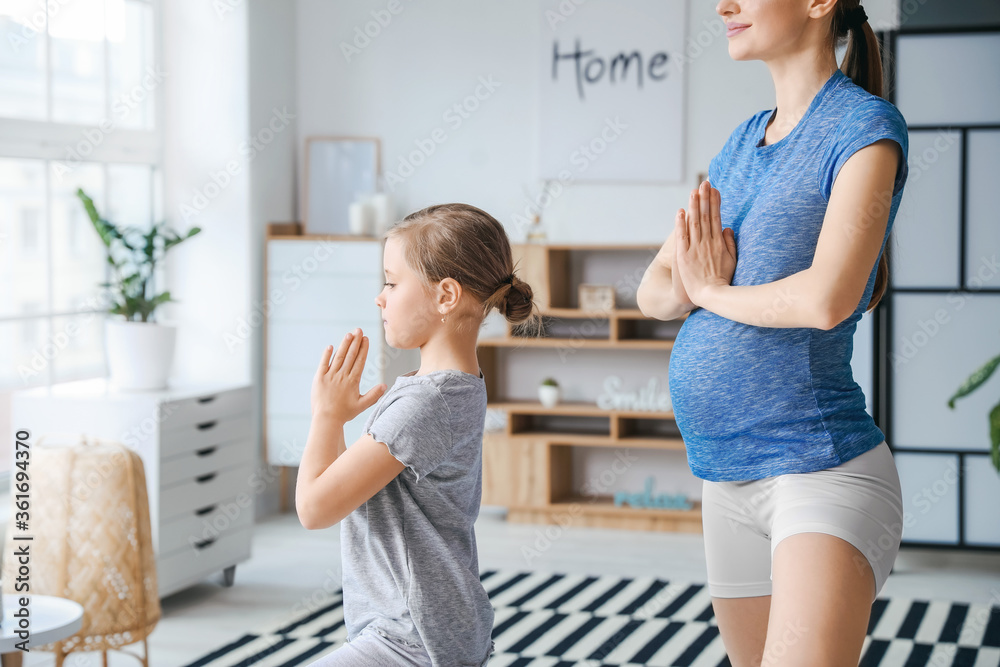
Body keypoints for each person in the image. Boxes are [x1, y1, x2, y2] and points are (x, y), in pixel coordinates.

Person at [636, 1, 908, 665]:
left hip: (819, 470)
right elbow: (655, 291)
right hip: (725, 480)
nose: (724, 5)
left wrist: (710, 291)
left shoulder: (865, 127)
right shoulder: (741, 142)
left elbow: (826, 298)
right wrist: (695, 286)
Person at [295, 203, 540, 666]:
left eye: (391, 281)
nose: (380, 297)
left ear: (446, 295)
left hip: (411, 638)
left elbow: (314, 508)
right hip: (432, 630)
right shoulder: (454, 388)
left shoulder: (424, 406)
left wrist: (326, 417)